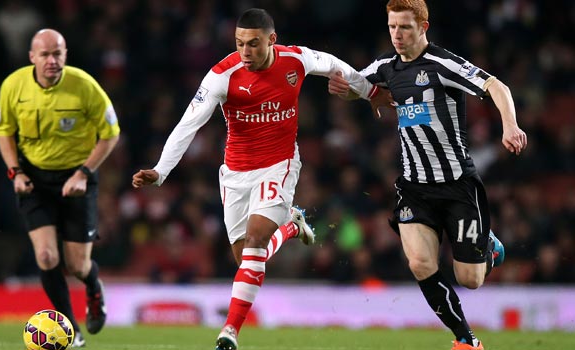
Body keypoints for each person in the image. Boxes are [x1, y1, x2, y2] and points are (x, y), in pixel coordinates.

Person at [131, 8, 383, 350]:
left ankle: (229, 333)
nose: (245, 52)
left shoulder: (296, 60)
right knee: (247, 259)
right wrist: (161, 171)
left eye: (252, 44)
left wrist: (369, 92)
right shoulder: (222, 75)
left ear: (271, 40)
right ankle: (292, 226)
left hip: (279, 165)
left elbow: (336, 65)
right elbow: (188, 124)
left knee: (254, 241)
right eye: (239, 44)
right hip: (235, 174)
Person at [328, 1, 527, 349]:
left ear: (424, 26)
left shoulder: (442, 63)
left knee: (471, 279)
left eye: (405, 27)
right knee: (420, 263)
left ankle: (487, 243)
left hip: (457, 185)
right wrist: (349, 91)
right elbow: (361, 83)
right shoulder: (387, 66)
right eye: (392, 27)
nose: (397, 35)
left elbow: (497, 86)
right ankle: (466, 340)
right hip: (414, 187)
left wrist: (509, 126)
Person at [0, 28, 120, 347]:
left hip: (76, 177)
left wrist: (83, 173)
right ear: (32, 57)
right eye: (45, 54)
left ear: (66, 54)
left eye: (58, 53)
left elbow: (111, 133)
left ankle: (93, 287)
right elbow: (4, 131)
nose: (52, 60)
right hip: (34, 179)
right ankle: (71, 330)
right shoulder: (13, 86)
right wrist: (15, 172)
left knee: (77, 265)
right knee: (48, 256)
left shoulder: (85, 86)